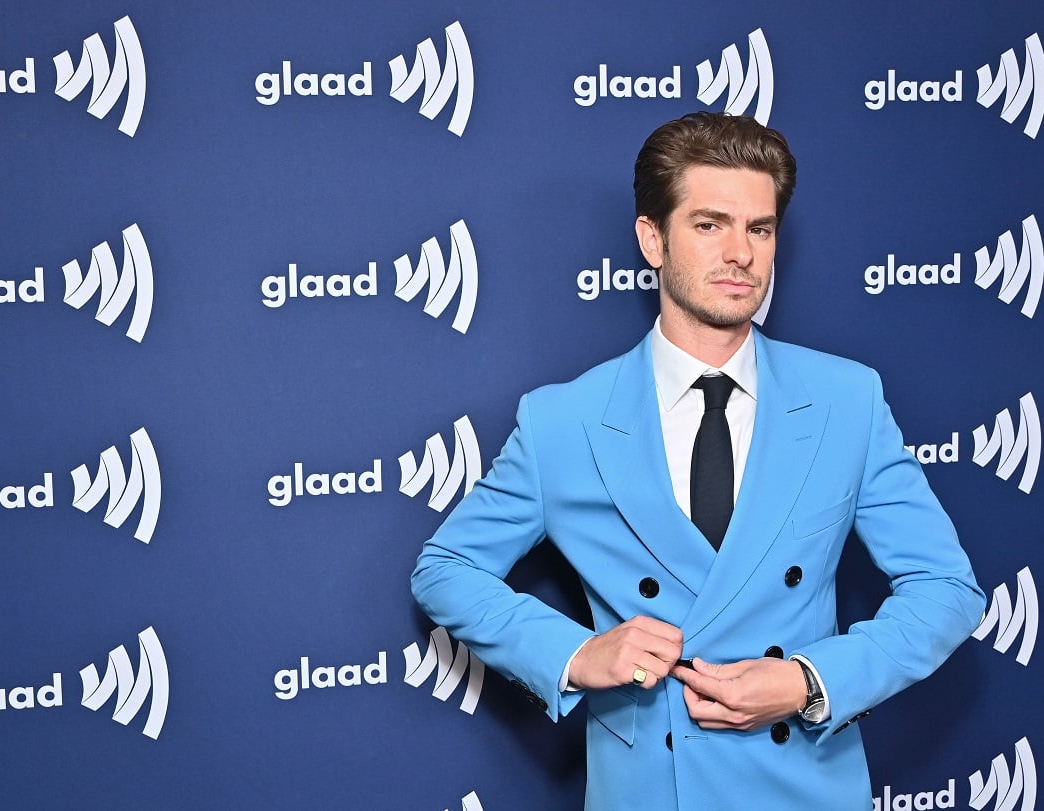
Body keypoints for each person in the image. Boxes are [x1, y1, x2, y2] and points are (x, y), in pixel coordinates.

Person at [411, 112, 984, 810]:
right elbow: (446, 569)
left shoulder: (847, 399)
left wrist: (808, 678)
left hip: (805, 785)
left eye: (760, 228)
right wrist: (574, 654)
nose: (740, 253)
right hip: (651, 788)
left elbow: (947, 587)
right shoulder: (565, 420)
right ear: (653, 238)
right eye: (710, 224)